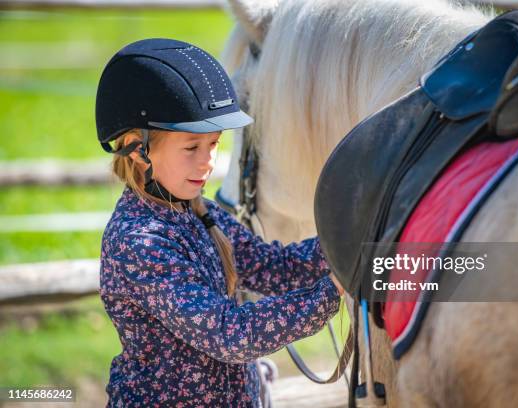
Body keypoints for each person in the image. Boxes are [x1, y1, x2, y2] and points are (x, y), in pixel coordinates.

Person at [95, 38, 345, 407]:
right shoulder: (139, 242)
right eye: (191, 147)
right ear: (138, 148)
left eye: (213, 145)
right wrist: (334, 289)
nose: (208, 162)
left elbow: (277, 268)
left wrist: (351, 240)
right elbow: (229, 334)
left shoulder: (200, 212)